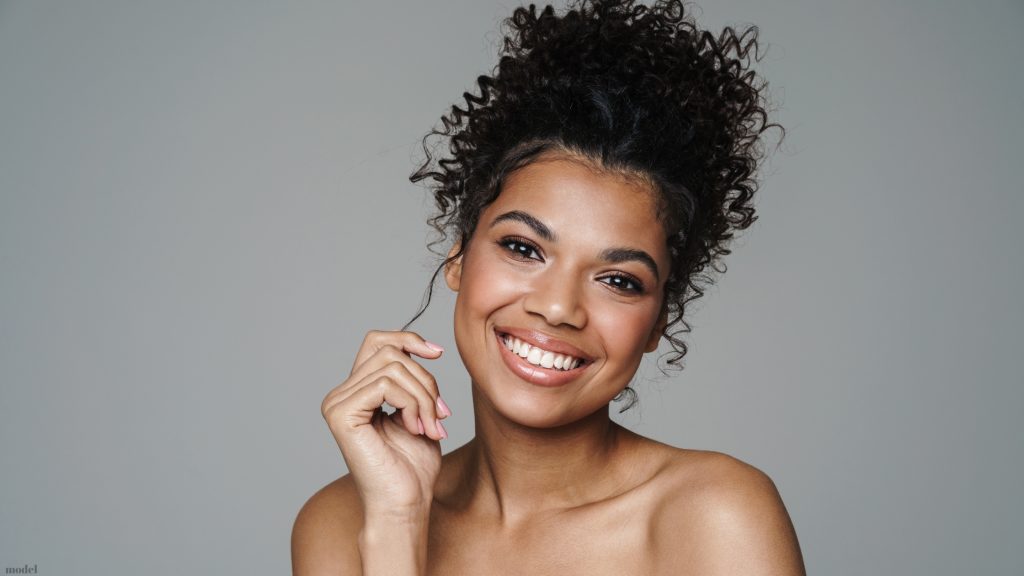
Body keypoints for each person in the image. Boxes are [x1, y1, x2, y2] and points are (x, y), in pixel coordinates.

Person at [292, 1, 804, 574]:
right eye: (523, 248)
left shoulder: (715, 517)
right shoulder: (342, 522)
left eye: (618, 280)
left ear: (660, 319)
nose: (558, 307)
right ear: (458, 255)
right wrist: (396, 524)